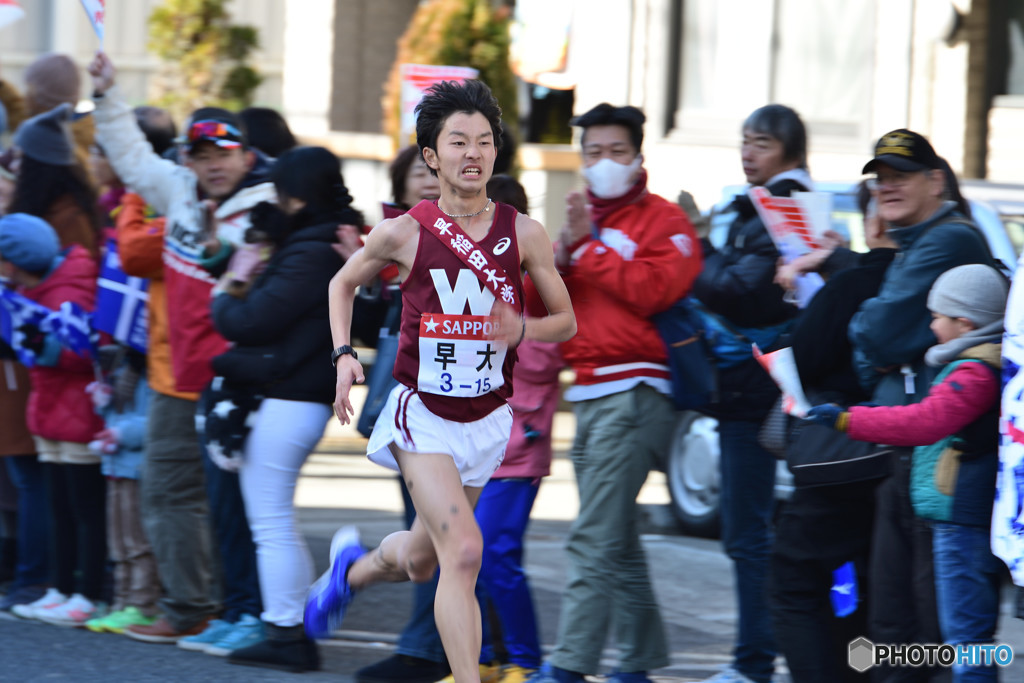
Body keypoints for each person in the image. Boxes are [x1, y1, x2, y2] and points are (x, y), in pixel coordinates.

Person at [306, 79, 576, 683]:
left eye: (484, 141)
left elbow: (565, 322)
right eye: (458, 142)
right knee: (466, 553)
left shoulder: (525, 233)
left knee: (427, 560)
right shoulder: (404, 232)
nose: (472, 154)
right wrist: (344, 354)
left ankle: (350, 572)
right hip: (420, 413)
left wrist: (519, 327)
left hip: (485, 419)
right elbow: (340, 284)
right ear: (432, 156)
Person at [89, 51, 271, 647]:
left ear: (246, 156)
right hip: (173, 377)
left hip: (237, 381)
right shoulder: (175, 193)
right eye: (202, 155)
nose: (214, 166)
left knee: (235, 505)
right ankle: (194, 605)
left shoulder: (269, 210)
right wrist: (109, 94)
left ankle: (233, 609)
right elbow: (131, 157)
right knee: (168, 493)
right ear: (187, 160)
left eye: (224, 154)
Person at [534, 103, 701, 683]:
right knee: (617, 537)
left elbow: (658, 288)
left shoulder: (665, 222)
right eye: (593, 153)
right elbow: (544, 313)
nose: (604, 164)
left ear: (639, 157)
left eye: (617, 152)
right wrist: (552, 264)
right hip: (591, 392)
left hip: (636, 391)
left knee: (594, 539)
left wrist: (585, 250)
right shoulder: (578, 223)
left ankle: (570, 666)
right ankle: (638, 661)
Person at [202, 146, 363, 673]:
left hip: (288, 396)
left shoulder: (311, 250)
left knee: (268, 521)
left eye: (279, 191)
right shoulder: (322, 242)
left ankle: (289, 634)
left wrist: (233, 280)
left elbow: (249, 322)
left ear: (297, 193)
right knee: (274, 519)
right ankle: (291, 624)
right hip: (294, 395)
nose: (274, 200)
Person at [809, 264, 1008, 683]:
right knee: (966, 638)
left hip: (962, 521)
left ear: (965, 322)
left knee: (967, 641)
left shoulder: (975, 372)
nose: (932, 326)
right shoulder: (977, 364)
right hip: (961, 517)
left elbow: (923, 422)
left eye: (937, 317)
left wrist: (849, 421)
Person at [848, 130, 996, 683]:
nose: (887, 187)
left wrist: (874, 340)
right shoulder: (913, 244)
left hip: (937, 461)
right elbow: (872, 346)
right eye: (880, 178)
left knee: (936, 615)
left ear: (936, 181)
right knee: (898, 608)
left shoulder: (946, 242)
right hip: (913, 454)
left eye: (901, 176)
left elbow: (877, 334)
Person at [690, 104, 808, 683]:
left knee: (749, 531)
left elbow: (738, 291)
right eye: (744, 141)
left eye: (760, 143)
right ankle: (761, 656)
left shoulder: (782, 209)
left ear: (789, 152)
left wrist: (698, 247)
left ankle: (756, 661)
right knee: (750, 529)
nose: (747, 152)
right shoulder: (755, 204)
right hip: (750, 385)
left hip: (760, 386)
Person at [769, 181, 896, 682]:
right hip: (904, 463)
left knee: (794, 583)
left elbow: (802, 356)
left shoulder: (852, 285)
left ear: (873, 223)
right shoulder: (933, 278)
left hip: (840, 459)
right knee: (860, 585)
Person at [354, 143, 448, 683]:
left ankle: (423, 652)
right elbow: (373, 331)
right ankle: (469, 647)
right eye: (421, 173)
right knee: (429, 531)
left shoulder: (464, 242)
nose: (431, 182)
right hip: (404, 407)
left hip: (446, 409)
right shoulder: (392, 245)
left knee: (433, 534)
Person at [0, 213, 106, 627]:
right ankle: (60, 590)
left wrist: (35, 341)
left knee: (84, 510)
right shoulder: (43, 283)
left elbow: (84, 354)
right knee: (59, 508)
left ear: (15, 261)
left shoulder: (69, 286)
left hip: (77, 414)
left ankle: (87, 594)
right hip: (50, 410)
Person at [83, 348, 162, 634]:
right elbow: (115, 416)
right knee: (118, 541)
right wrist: (102, 402)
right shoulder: (123, 370)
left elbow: (155, 421)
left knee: (137, 541)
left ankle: (142, 605)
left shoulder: (151, 372)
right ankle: (121, 601)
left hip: (135, 467)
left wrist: (121, 434)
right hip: (115, 465)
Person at [9, 103, 101, 259]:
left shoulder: (71, 220)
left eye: (19, 159)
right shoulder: (43, 204)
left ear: (38, 167)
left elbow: (74, 276)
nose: (13, 166)